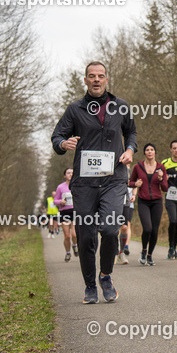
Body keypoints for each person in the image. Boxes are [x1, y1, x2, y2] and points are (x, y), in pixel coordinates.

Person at [51, 61, 136, 303]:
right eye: (91, 76)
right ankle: (90, 286)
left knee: (110, 229)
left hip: (114, 180)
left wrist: (130, 149)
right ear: (86, 80)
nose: (96, 79)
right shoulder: (75, 109)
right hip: (84, 183)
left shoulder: (120, 107)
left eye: (100, 76)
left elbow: (131, 132)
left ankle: (105, 275)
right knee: (86, 236)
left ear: (106, 79)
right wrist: (63, 143)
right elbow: (57, 136)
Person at [128, 143, 169, 265]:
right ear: (144, 153)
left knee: (154, 230)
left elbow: (165, 188)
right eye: (147, 150)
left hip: (157, 202)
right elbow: (130, 182)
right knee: (147, 228)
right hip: (143, 201)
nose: (150, 152)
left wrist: (161, 179)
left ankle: (150, 255)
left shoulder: (161, 167)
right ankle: (143, 251)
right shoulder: (138, 167)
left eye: (152, 149)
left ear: (155, 152)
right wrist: (136, 184)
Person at [162, 140, 177, 259]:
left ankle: (174, 248)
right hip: (170, 196)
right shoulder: (165, 163)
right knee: (173, 220)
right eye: (174, 148)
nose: (176, 150)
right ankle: (171, 247)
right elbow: (160, 180)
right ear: (171, 149)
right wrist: (163, 179)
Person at [54, 167, 79, 261]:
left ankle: (75, 245)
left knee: (74, 235)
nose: (70, 174)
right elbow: (55, 200)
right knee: (67, 236)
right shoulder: (60, 187)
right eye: (68, 173)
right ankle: (68, 253)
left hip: (75, 212)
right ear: (65, 175)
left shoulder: (77, 185)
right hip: (64, 212)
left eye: (72, 173)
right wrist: (60, 202)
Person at [118, 186, 134, 265]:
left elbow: (133, 183)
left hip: (125, 200)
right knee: (112, 228)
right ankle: (113, 251)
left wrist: (135, 184)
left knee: (124, 227)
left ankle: (121, 252)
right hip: (112, 199)